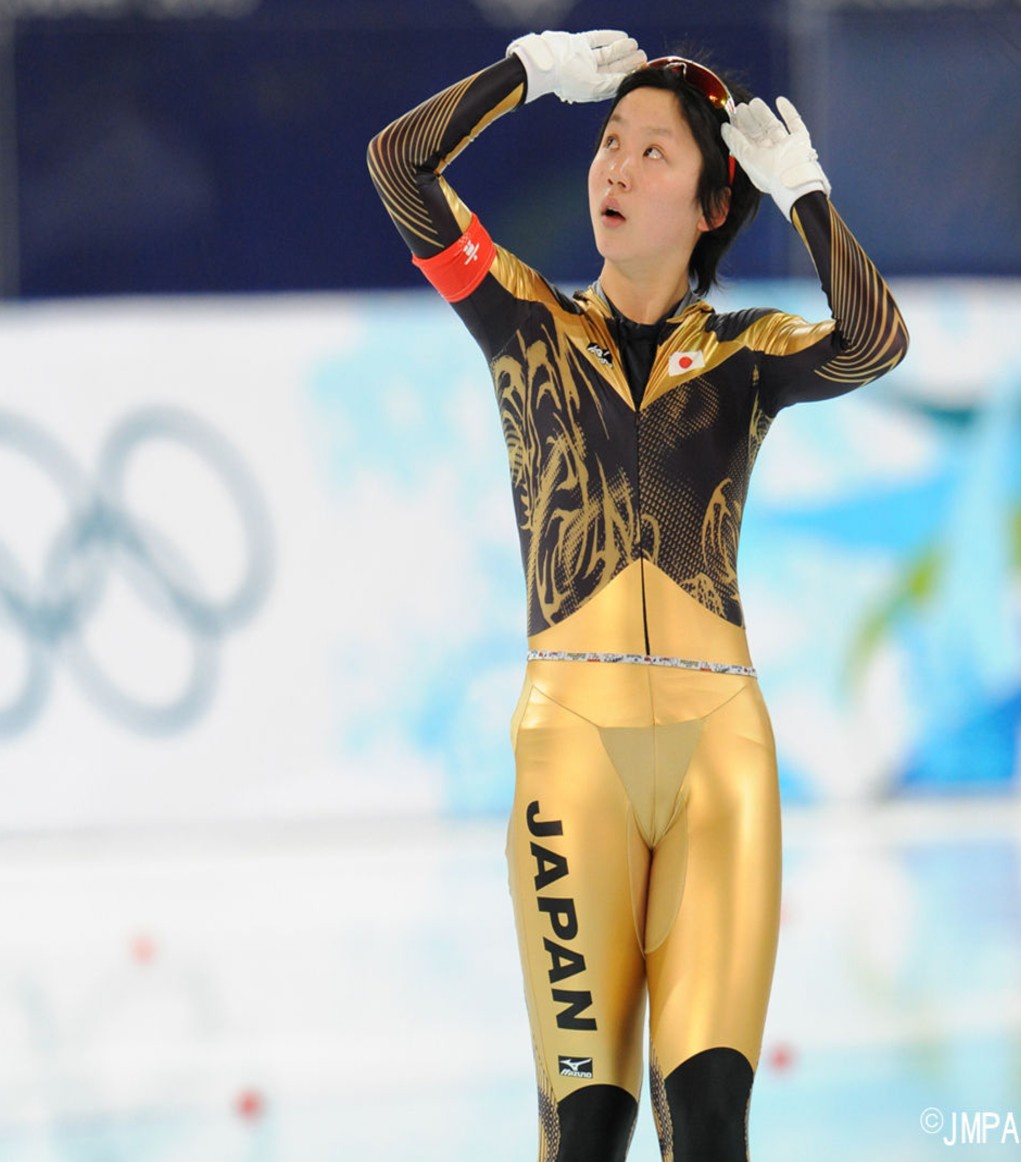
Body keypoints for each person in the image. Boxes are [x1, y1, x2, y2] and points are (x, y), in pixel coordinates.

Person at [367, 28, 908, 1162]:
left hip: (721, 755)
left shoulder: (747, 356)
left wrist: (804, 195)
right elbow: (397, 165)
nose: (614, 166)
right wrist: (522, 76)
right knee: (590, 1130)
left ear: (712, 206)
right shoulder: (523, 319)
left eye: (652, 152)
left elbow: (875, 341)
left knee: (709, 1123)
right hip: (572, 751)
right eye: (609, 141)